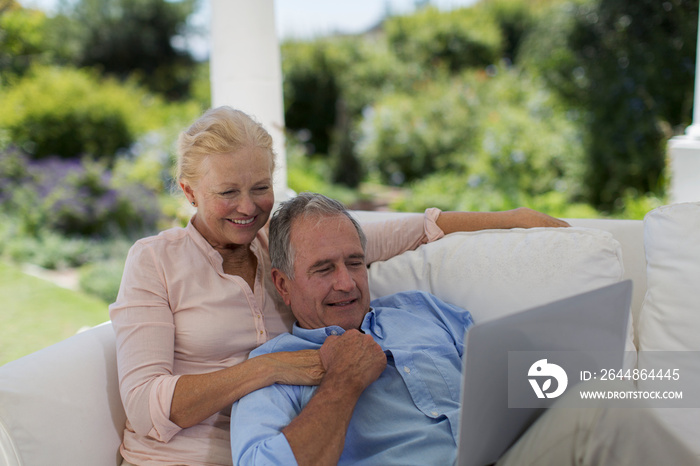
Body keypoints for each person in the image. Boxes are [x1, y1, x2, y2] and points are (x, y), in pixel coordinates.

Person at [109, 106, 568, 465]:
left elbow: (401, 231)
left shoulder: (287, 243)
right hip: (176, 459)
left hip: (286, 440)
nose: (248, 207)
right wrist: (272, 370)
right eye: (228, 192)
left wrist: (512, 219)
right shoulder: (155, 261)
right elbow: (143, 403)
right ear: (190, 192)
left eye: (261, 187)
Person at [229, 192, 698, 466]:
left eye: (355, 262)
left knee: (610, 400)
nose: (347, 282)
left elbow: (500, 390)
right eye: (324, 269)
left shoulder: (420, 311)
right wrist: (345, 382)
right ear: (283, 285)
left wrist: (555, 371)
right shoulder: (272, 367)